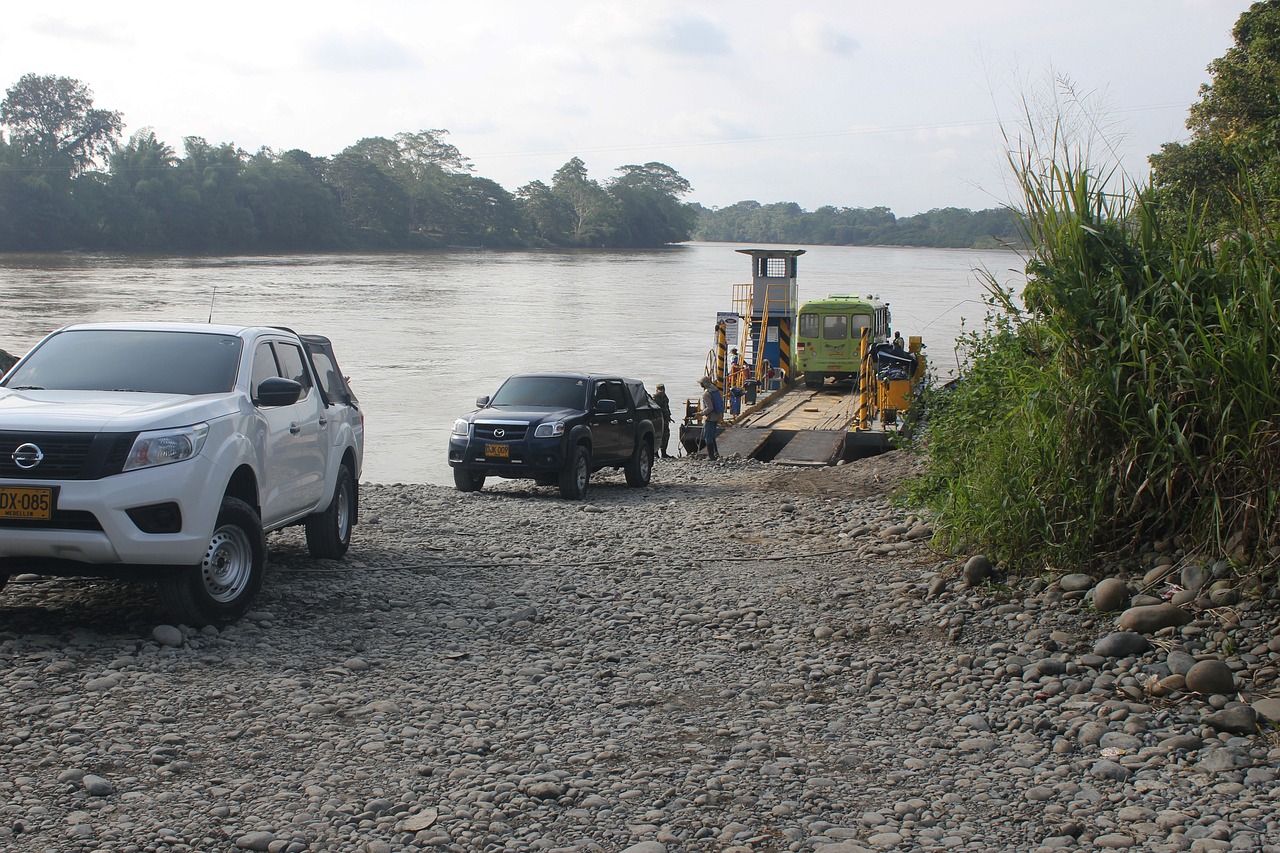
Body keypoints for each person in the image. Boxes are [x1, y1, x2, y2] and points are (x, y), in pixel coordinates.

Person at [698, 376, 723, 460]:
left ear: (703, 384)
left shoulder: (706, 394)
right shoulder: (715, 389)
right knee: (712, 436)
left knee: (708, 437)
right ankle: (716, 453)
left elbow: (709, 408)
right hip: (717, 415)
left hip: (710, 417)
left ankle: (711, 456)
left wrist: (701, 413)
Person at [653, 383, 674, 458]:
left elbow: (666, 408)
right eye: (660, 391)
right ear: (656, 391)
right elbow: (655, 410)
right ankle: (655, 453)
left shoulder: (665, 397)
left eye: (662, 390)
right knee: (657, 436)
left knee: (666, 435)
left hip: (665, 420)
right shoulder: (654, 398)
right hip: (658, 420)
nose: (661, 392)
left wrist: (669, 417)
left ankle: (664, 453)